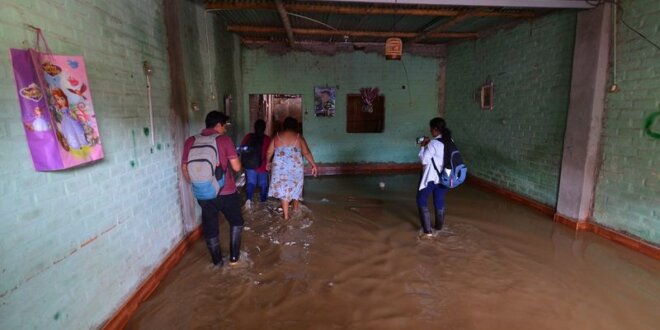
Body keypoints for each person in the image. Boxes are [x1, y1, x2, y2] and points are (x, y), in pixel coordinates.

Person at [181, 111, 244, 266]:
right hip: (226, 191)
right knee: (236, 221)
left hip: (203, 193)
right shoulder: (224, 140)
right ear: (218, 125)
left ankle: (217, 262)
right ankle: (234, 259)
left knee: (210, 227)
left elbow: (184, 168)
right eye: (224, 126)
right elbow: (236, 168)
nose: (225, 129)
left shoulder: (190, 141)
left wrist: (198, 183)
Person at [266, 117, 318, 220]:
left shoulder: (276, 136)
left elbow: (269, 152)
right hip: (295, 168)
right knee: (296, 187)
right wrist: (313, 165)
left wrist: (268, 162)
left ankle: (285, 215)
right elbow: (306, 152)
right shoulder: (299, 137)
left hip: (279, 168)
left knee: (283, 190)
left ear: (284, 125)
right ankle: (296, 209)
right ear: (295, 126)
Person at [417, 117, 452, 235]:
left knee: (421, 199)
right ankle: (439, 228)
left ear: (436, 129)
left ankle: (427, 233)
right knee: (439, 201)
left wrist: (422, 146)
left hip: (431, 178)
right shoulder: (450, 141)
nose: (430, 130)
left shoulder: (433, 143)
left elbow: (424, 161)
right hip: (446, 176)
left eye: (431, 128)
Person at [240, 119, 271, 207]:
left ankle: (248, 200)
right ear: (264, 128)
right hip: (263, 165)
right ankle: (263, 202)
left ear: (254, 128)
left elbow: (242, 148)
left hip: (250, 165)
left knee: (251, 182)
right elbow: (270, 152)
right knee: (263, 184)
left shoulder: (248, 136)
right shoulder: (267, 139)